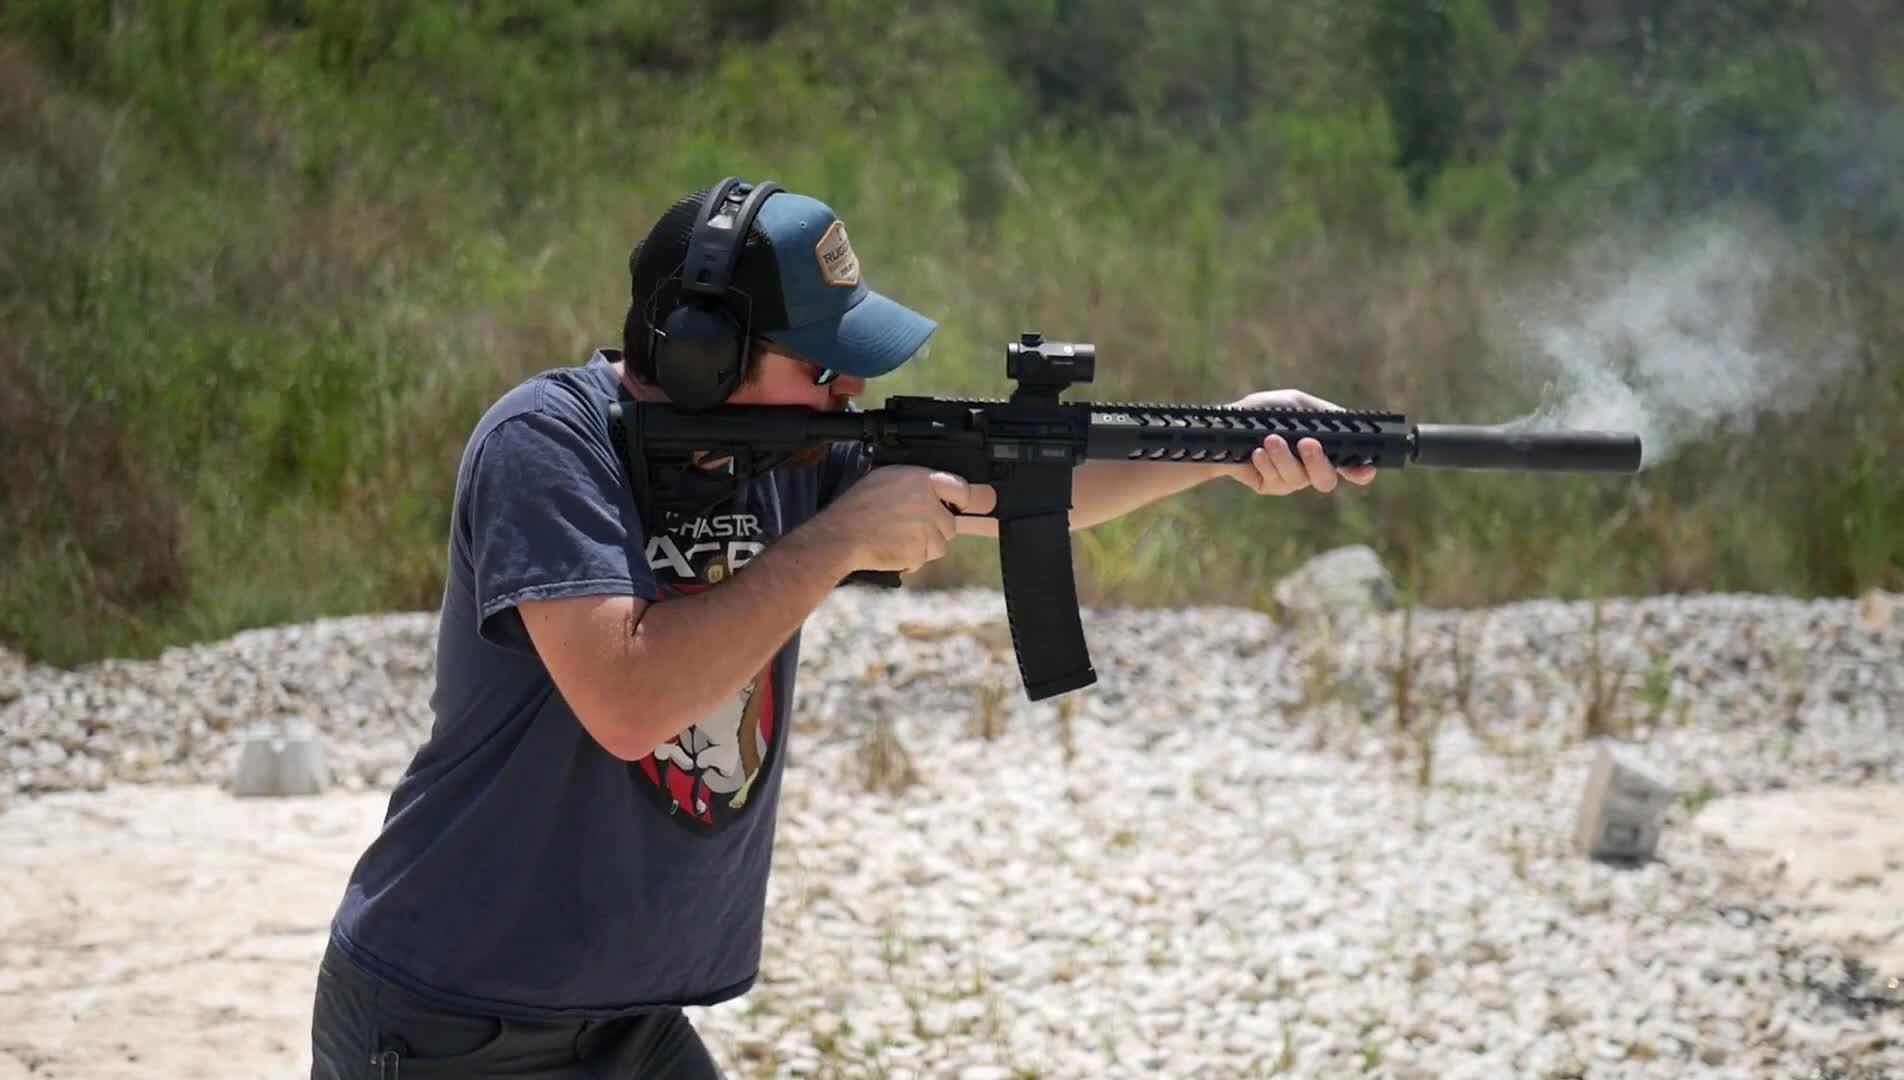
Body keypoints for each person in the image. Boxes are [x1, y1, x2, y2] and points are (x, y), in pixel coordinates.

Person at [308, 177, 1376, 1079]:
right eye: (820, 367)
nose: (852, 389)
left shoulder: (790, 448)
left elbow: (1027, 488)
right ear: (697, 359)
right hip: (452, 1020)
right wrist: (836, 543)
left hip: (625, 1022)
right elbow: (627, 700)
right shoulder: (548, 445)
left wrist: (1230, 438)